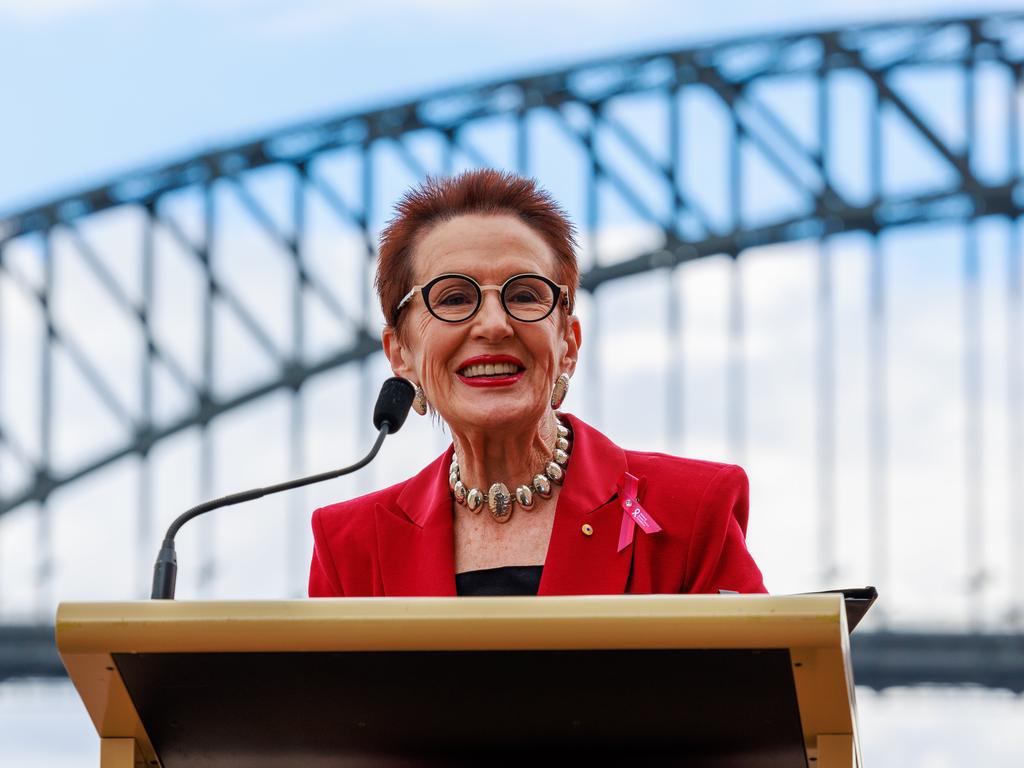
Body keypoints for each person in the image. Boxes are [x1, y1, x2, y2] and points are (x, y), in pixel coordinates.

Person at [309, 169, 765, 597]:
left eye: (525, 295)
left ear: (568, 341)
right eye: (453, 297)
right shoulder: (350, 548)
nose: (494, 324)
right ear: (400, 354)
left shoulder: (692, 509)